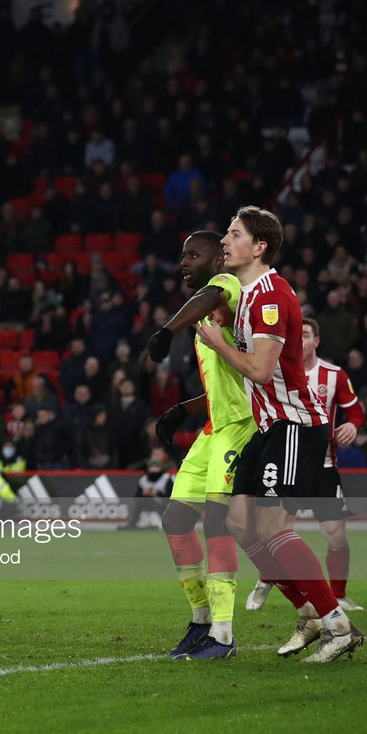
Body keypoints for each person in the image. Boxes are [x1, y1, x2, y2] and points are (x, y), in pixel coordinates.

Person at [194, 206, 362, 663]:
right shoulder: (249, 297)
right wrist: (228, 324)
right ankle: (308, 613)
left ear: (259, 246)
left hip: (294, 423)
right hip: (269, 426)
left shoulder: (269, 295)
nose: (224, 241)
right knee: (238, 524)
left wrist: (220, 343)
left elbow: (263, 371)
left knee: (269, 526)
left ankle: (337, 625)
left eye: (233, 234)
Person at [147, 231, 255, 659]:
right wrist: (183, 409)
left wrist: (166, 331)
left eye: (194, 254)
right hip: (213, 428)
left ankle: (224, 635)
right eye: (182, 255)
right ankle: (201, 620)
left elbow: (210, 295)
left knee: (218, 524)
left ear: (218, 259)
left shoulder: (229, 286)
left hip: (240, 427)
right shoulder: (208, 314)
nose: (184, 262)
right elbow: (227, 384)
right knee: (175, 519)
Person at [245, 320, 366, 612]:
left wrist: (352, 426)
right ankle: (267, 579)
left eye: (306, 335)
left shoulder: (334, 375)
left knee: (336, 535)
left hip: (323, 464)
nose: (300, 340)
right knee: (275, 528)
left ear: (317, 341)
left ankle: (338, 595)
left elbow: (355, 412)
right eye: (296, 335)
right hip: (288, 457)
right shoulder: (274, 368)